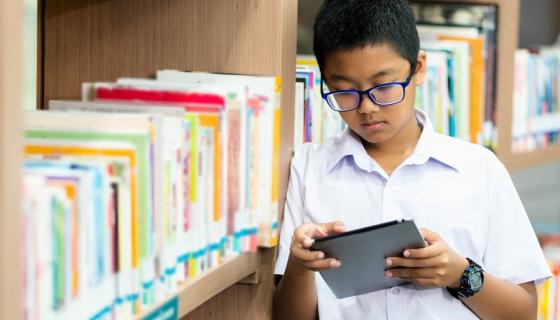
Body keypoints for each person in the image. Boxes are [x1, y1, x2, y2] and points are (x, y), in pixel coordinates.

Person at [272, 0, 551, 319]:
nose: (367, 108)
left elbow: (525, 312)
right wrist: (299, 266)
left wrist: (458, 274)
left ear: (418, 69)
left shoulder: (479, 169)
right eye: (345, 91)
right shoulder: (308, 169)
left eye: (384, 87)